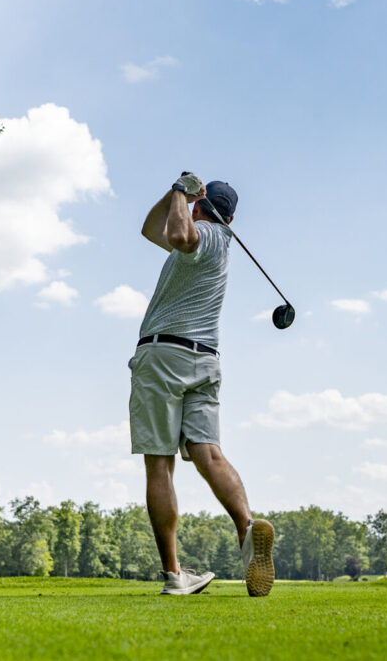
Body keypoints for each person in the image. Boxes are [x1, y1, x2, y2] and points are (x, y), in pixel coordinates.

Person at [128, 172, 275, 597]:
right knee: (207, 453)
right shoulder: (216, 240)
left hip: (165, 356)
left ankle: (175, 574)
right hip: (205, 359)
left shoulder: (203, 237)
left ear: (200, 206)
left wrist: (181, 190)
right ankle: (248, 530)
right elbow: (151, 229)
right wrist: (175, 192)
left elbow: (178, 232)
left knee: (159, 463)